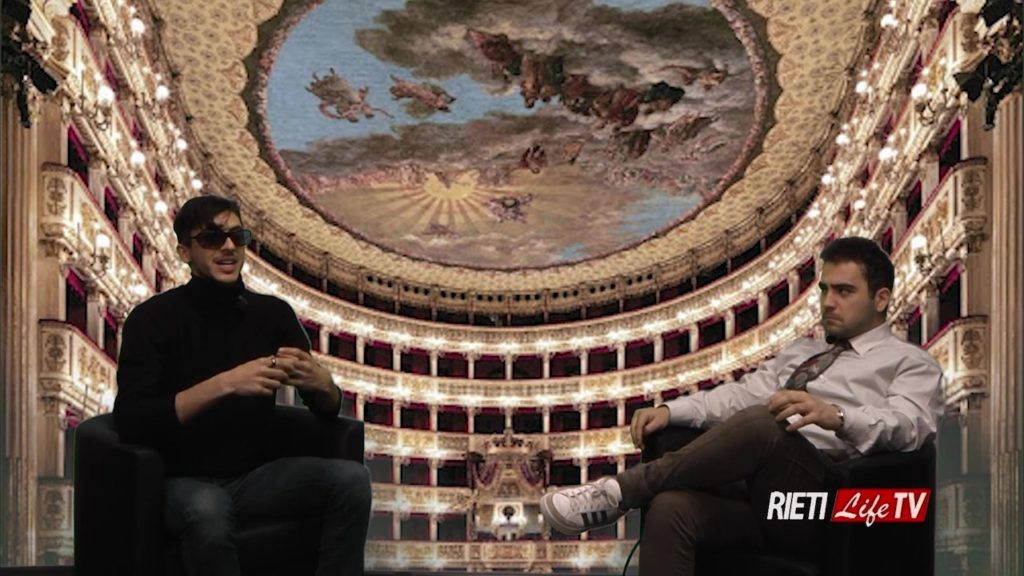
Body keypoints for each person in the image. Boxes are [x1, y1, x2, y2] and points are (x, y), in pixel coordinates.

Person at [540, 236, 944, 575]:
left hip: (828, 506)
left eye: (844, 291)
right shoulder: (802, 352)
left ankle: (619, 492)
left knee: (769, 422)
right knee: (671, 508)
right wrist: (671, 412)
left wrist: (836, 416)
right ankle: (626, 493)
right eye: (824, 290)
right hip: (761, 495)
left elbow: (912, 426)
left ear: (881, 298)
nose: (828, 302)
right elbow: (739, 396)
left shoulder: (909, 362)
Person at [113, 195, 371, 576]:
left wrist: (324, 385)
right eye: (212, 238)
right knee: (208, 509)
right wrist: (226, 383)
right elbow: (133, 420)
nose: (229, 246)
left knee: (352, 480)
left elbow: (327, 408)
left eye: (237, 236)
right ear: (184, 252)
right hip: (177, 477)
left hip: (255, 477)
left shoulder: (273, 314)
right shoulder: (152, 318)